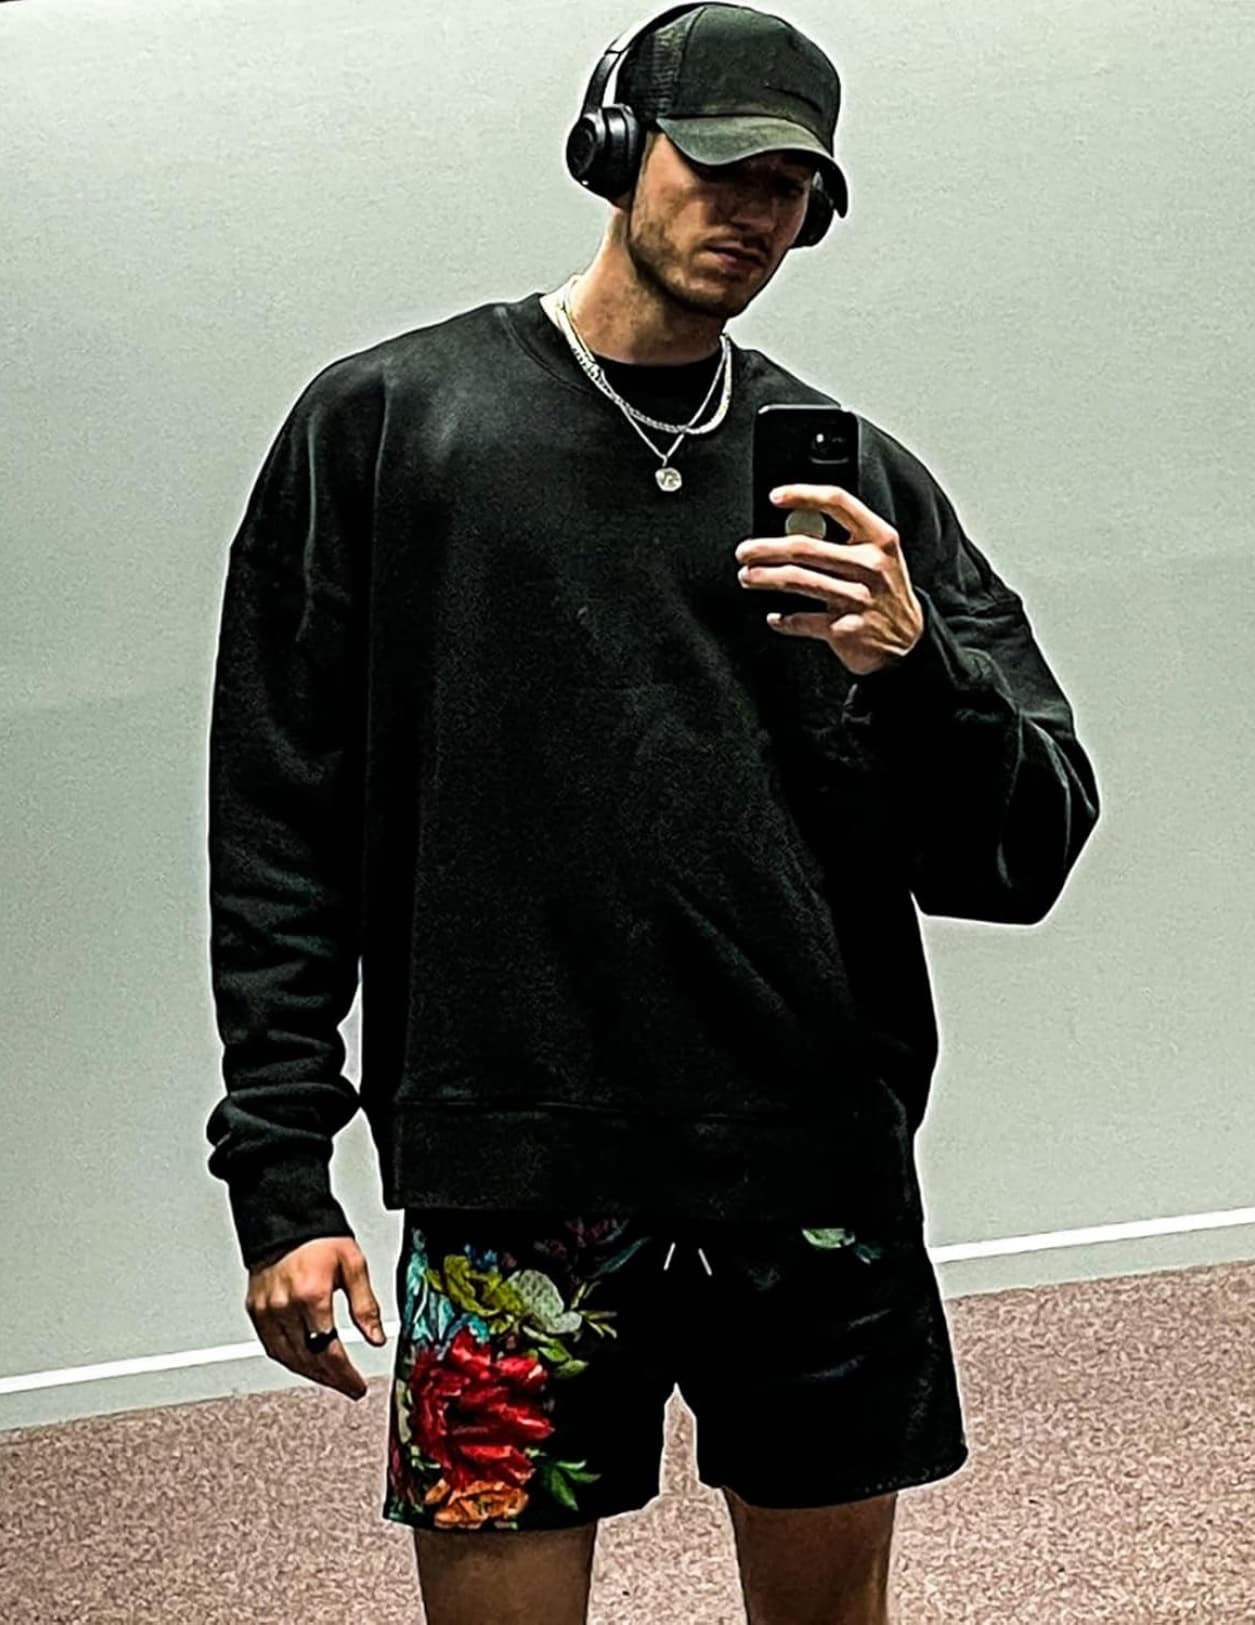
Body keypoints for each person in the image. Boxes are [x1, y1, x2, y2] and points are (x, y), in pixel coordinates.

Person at [205, 5, 1101, 1622]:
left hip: (809, 1171)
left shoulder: (857, 488)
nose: (754, 213)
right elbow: (281, 817)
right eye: (722, 165)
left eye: (791, 187)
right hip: (510, 1177)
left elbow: (1027, 848)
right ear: (617, 147)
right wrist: (280, 1167)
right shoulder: (392, 428)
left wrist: (913, 669)